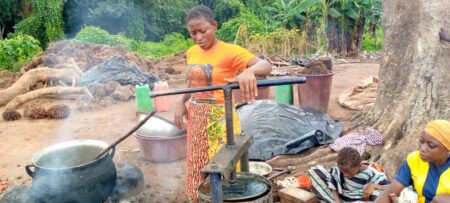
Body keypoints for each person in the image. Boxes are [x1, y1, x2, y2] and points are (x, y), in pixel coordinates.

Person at [173, 5, 272, 200]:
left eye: (203, 30)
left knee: (222, 167)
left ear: (214, 25)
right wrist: (180, 98)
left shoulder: (229, 51)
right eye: (193, 33)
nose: (198, 37)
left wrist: (248, 72)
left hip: (221, 118)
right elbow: (192, 81)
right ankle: (198, 199)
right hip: (197, 117)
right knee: (197, 165)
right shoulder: (192, 52)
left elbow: (265, 65)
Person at [375, 120, 450, 203]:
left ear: (447, 149)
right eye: (421, 141)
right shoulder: (415, 159)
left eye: (431, 146)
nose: (423, 149)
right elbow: (390, 192)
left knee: (440, 200)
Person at [309, 147, 390, 202]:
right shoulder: (340, 168)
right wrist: (337, 201)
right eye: (342, 171)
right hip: (343, 194)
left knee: (378, 195)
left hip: (360, 197)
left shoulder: (370, 172)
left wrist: (373, 186)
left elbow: (389, 187)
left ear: (358, 166)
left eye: (348, 172)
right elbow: (333, 182)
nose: (345, 175)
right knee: (315, 171)